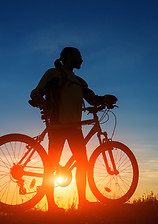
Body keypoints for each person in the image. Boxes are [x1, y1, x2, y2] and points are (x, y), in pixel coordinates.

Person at [29, 47, 117, 210]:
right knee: (52, 164)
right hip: (58, 125)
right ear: (70, 57)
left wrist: (105, 98)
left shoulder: (80, 82)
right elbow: (36, 92)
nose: (82, 60)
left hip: (75, 128)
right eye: (79, 57)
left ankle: (82, 203)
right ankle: (52, 206)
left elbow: (92, 98)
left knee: (82, 163)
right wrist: (41, 102)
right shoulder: (53, 74)